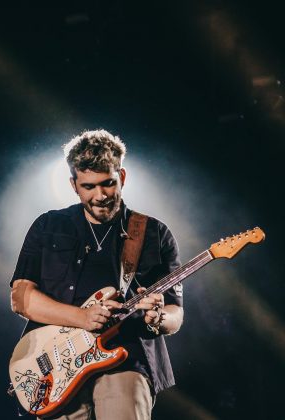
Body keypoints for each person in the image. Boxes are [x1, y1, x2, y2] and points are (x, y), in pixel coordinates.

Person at [10, 129, 184, 420]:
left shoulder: (153, 233)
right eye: (89, 186)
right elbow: (21, 299)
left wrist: (159, 317)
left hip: (126, 358)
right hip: (57, 367)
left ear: (122, 177)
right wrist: (82, 318)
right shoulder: (48, 226)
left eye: (108, 184)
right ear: (73, 185)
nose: (100, 196)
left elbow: (175, 313)